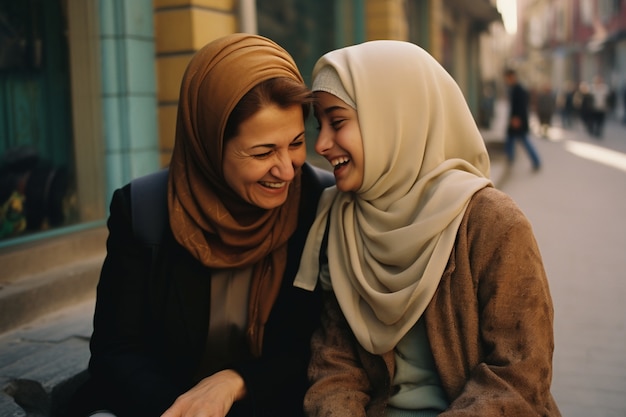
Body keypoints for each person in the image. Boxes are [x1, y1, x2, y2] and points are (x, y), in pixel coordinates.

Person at [66, 33, 333, 417]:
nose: (287, 169)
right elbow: (116, 350)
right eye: (263, 152)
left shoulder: (320, 204)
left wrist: (236, 382)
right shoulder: (143, 210)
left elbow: (323, 348)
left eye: (295, 143)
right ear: (207, 144)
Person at [294, 40, 561, 417]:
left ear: (393, 118)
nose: (321, 143)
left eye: (337, 122)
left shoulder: (492, 224)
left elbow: (520, 375)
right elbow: (335, 365)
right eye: (318, 124)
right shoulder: (341, 221)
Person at [503, 68, 541, 170]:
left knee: (524, 141)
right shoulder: (514, 88)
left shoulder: (519, 89)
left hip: (518, 121)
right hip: (515, 120)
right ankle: (510, 159)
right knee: (511, 140)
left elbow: (521, 106)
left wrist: (517, 119)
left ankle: (536, 161)